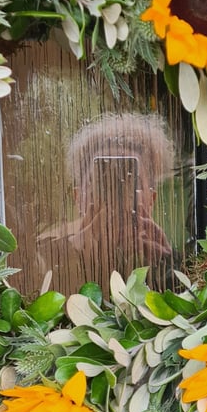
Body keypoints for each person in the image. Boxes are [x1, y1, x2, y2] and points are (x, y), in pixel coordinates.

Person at [34, 112, 177, 295]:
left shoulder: (161, 255)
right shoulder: (49, 257)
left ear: (151, 199)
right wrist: (74, 255)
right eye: (101, 182)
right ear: (78, 197)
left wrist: (166, 263)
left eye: (131, 182)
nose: (115, 197)